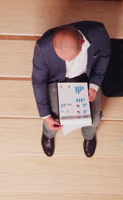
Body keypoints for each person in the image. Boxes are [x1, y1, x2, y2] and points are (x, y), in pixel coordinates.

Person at [32, 21, 111, 157]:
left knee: (95, 117)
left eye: (71, 59)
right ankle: (48, 133)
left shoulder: (98, 32)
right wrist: (45, 116)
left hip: (87, 77)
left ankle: (89, 135)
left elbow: (104, 57)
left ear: (81, 44)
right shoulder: (43, 47)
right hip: (57, 80)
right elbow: (39, 81)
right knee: (53, 116)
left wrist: (94, 85)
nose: (68, 62)